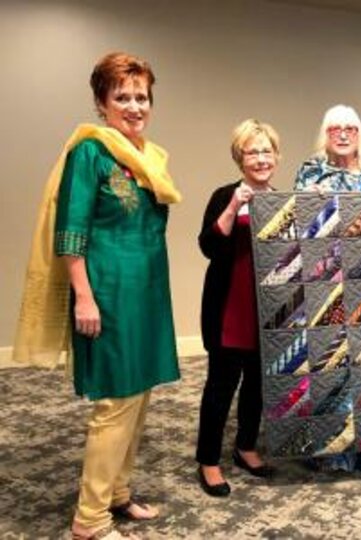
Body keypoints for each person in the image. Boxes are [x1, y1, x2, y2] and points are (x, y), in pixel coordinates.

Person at [14, 52, 182, 540]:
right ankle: (89, 519)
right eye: (122, 97)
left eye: (141, 96)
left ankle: (118, 493)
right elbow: (71, 231)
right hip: (108, 291)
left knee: (140, 394)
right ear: (101, 102)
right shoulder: (89, 152)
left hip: (147, 291)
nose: (134, 106)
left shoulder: (148, 156)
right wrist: (84, 297)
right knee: (117, 402)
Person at [294, 104, 361, 472]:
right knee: (330, 364)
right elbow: (300, 224)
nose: (344, 134)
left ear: (359, 135)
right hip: (326, 283)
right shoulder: (309, 174)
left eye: (351, 128)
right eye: (336, 128)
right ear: (326, 134)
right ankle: (333, 448)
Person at [195, 120, 278, 496]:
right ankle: (208, 461)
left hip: (268, 310)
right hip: (230, 308)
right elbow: (208, 247)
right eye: (252, 151)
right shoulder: (224, 195)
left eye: (266, 151)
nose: (260, 159)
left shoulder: (283, 199)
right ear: (239, 157)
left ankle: (246, 447)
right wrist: (234, 206)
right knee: (220, 387)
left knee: (257, 387)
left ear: (276, 155)